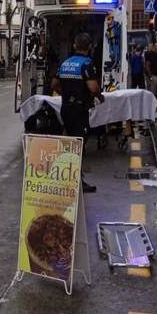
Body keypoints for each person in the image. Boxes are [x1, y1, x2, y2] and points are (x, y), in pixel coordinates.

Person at [50, 32, 104, 193]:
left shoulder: (65, 63)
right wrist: (100, 97)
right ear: (90, 47)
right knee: (78, 145)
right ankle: (76, 180)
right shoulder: (86, 64)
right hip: (79, 110)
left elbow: (54, 84)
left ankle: (66, 176)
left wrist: (66, 94)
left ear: (74, 46)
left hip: (66, 108)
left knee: (68, 143)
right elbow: (93, 87)